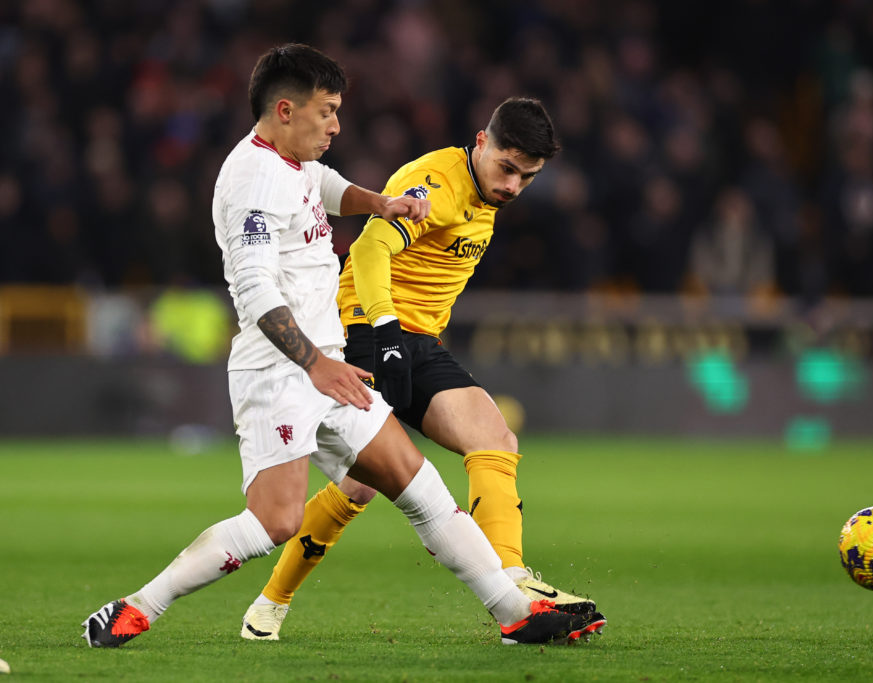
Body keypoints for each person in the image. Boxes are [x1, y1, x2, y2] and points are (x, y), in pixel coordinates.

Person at [81, 44, 602, 649]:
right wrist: (318, 364)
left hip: (327, 362)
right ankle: (140, 606)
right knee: (276, 521)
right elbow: (252, 291)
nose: (336, 124)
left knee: (418, 483)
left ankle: (515, 612)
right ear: (284, 110)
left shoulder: (296, 161)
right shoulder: (249, 182)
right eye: (326, 111)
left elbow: (325, 186)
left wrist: (378, 202)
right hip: (280, 371)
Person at [239, 96, 606, 641]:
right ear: (482, 142)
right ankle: (273, 601)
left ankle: (512, 582)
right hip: (362, 331)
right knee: (372, 483)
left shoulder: (488, 195)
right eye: (507, 168)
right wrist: (384, 329)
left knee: (477, 444)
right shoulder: (435, 184)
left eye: (527, 177)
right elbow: (368, 250)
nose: (512, 186)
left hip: (417, 340)